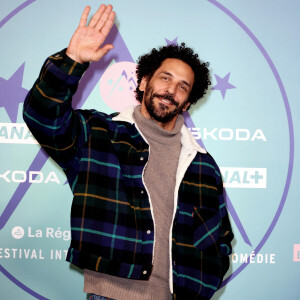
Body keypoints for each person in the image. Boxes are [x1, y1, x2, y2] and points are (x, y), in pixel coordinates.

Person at [23, 4, 233, 300]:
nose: (172, 89)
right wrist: (71, 61)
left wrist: (201, 286)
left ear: (187, 103)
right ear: (145, 81)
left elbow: (220, 240)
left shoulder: (203, 165)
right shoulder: (97, 133)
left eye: (183, 87)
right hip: (111, 295)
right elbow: (42, 115)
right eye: (165, 77)